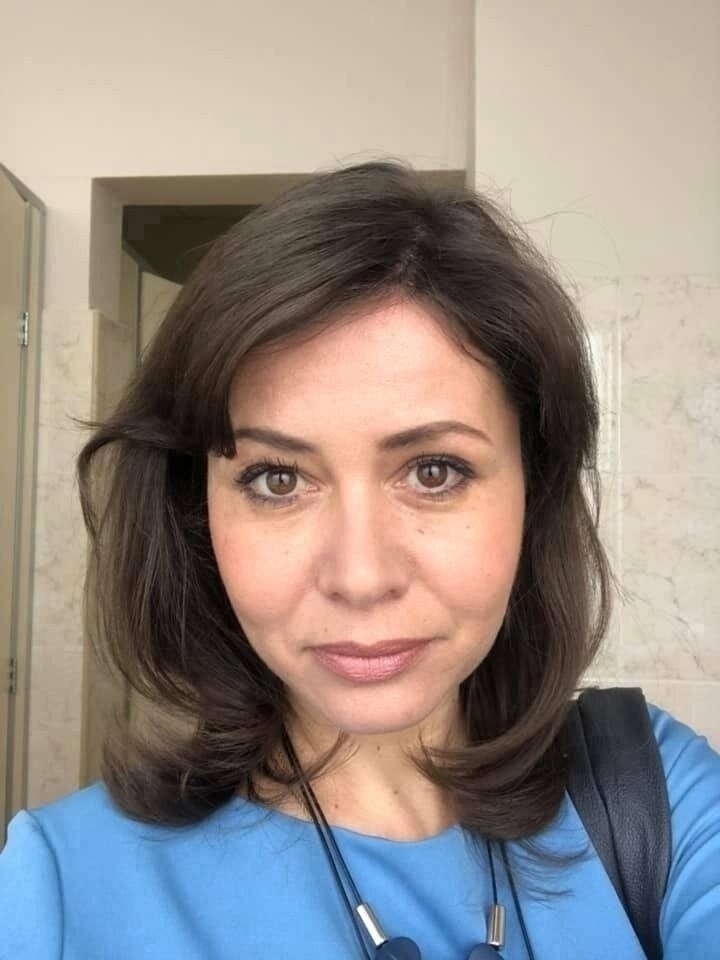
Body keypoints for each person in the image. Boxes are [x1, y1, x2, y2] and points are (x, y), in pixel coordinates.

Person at [1, 161, 718, 959]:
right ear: (194, 512)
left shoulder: (654, 800)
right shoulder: (61, 893)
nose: (361, 576)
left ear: (534, 492)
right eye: (278, 479)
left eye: (434, 471)